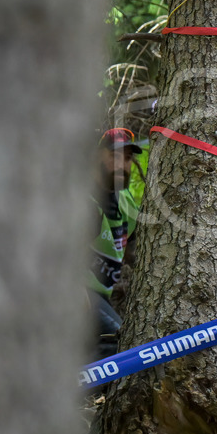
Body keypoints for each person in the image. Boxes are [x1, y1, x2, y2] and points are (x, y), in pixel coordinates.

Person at [90, 127, 143, 355]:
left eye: (128, 158)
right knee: (120, 345)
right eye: (115, 156)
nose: (123, 165)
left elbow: (135, 247)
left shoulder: (125, 200)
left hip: (99, 295)